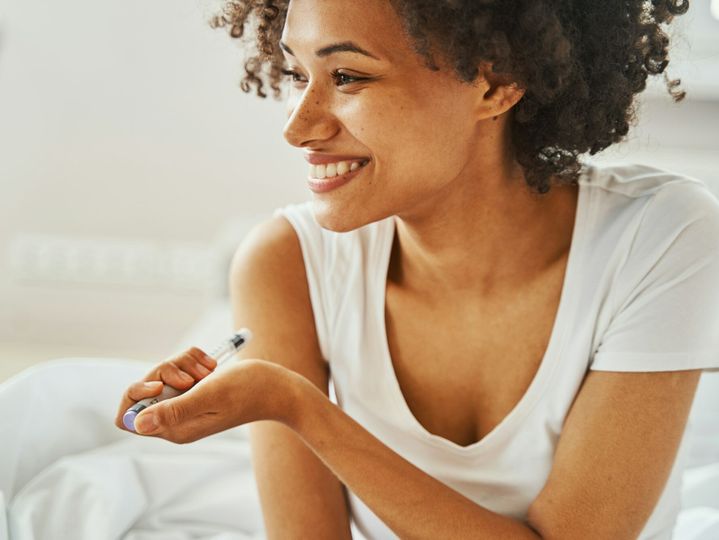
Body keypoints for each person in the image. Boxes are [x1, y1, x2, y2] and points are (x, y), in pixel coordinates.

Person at [115, 0, 719, 538]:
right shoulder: (283, 262)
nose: (297, 127)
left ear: (496, 82)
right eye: (300, 74)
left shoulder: (661, 235)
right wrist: (282, 402)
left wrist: (298, 406)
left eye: (347, 76)